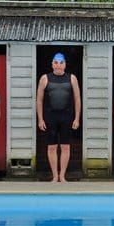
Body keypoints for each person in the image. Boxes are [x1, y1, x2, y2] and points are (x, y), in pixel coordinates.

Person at [36, 53, 81, 182]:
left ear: (65, 64)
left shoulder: (72, 78)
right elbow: (39, 100)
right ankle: (55, 175)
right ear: (52, 64)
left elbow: (77, 99)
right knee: (52, 147)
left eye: (61, 63)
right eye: (56, 63)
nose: (58, 65)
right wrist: (40, 119)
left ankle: (62, 175)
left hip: (67, 117)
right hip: (50, 117)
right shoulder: (45, 78)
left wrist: (77, 118)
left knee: (66, 147)